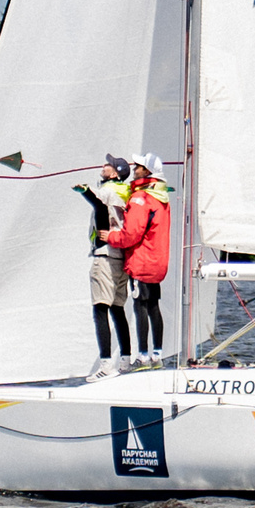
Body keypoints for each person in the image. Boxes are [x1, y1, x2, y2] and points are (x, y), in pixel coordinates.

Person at [102, 154, 172, 365]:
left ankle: (142, 356)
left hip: (142, 261)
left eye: (139, 166)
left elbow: (131, 234)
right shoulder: (162, 197)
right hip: (158, 262)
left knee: (140, 306)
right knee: (153, 306)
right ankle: (157, 355)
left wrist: (110, 237)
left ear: (148, 172)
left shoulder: (140, 198)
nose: (135, 168)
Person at [73, 156, 133, 375]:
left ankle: (106, 364)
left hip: (105, 256)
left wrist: (84, 191)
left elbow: (97, 203)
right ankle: (125, 361)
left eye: (109, 165)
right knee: (118, 310)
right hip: (122, 257)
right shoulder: (127, 193)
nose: (104, 165)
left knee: (100, 308)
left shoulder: (108, 190)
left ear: (115, 173)